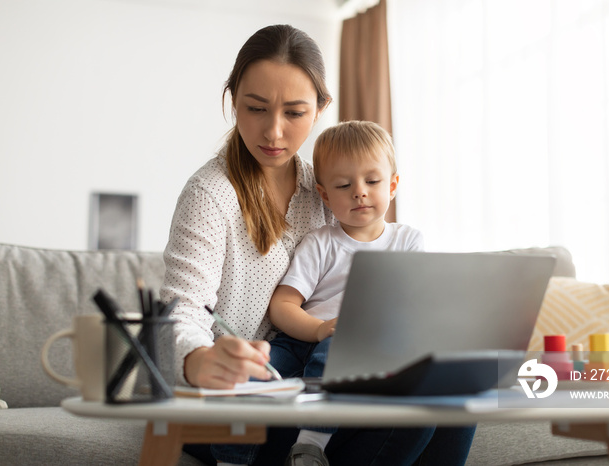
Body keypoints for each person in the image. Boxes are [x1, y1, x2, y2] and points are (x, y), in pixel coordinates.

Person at [160, 24, 474, 466]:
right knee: (413, 415)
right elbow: (179, 313)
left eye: (294, 113)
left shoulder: (330, 189)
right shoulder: (210, 195)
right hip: (236, 403)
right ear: (232, 100)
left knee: (452, 392)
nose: (273, 132)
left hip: (316, 389)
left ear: (321, 108)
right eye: (256, 108)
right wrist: (198, 359)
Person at [213, 120, 424, 465]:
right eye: (344, 185)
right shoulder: (321, 242)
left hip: (355, 346)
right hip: (299, 341)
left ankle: (309, 446)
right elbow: (282, 305)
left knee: (338, 349)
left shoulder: (407, 241)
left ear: (393, 184)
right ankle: (231, 460)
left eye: (372, 181)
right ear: (324, 194)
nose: (360, 191)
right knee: (248, 377)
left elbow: (414, 306)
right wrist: (318, 329)